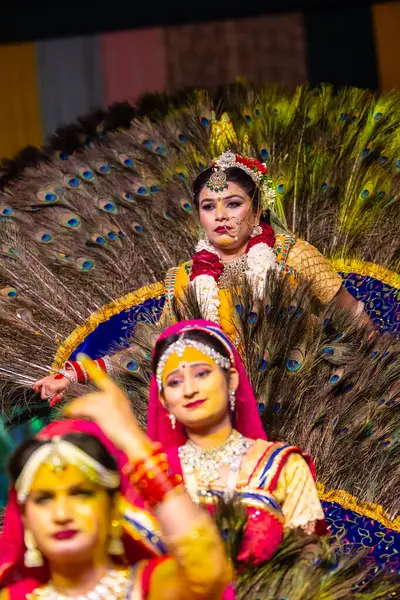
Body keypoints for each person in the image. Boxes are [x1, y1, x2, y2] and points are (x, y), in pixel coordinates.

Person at [33, 150, 369, 401]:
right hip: (217, 415)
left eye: (233, 203)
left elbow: (355, 321)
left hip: (306, 405)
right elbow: (151, 351)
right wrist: (75, 374)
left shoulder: (292, 256)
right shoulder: (186, 279)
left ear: (257, 207)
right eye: (209, 206)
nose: (221, 216)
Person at [0, 356, 230, 600]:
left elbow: (208, 573)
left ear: (112, 507)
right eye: (44, 499)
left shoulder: (151, 586)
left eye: (81, 494)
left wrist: (133, 441)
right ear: (24, 516)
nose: (62, 515)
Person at [146, 319, 327, 564]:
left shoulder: (283, 467)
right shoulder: (151, 475)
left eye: (201, 373)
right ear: (164, 399)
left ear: (231, 379)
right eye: (175, 382)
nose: (189, 390)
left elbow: (309, 568)